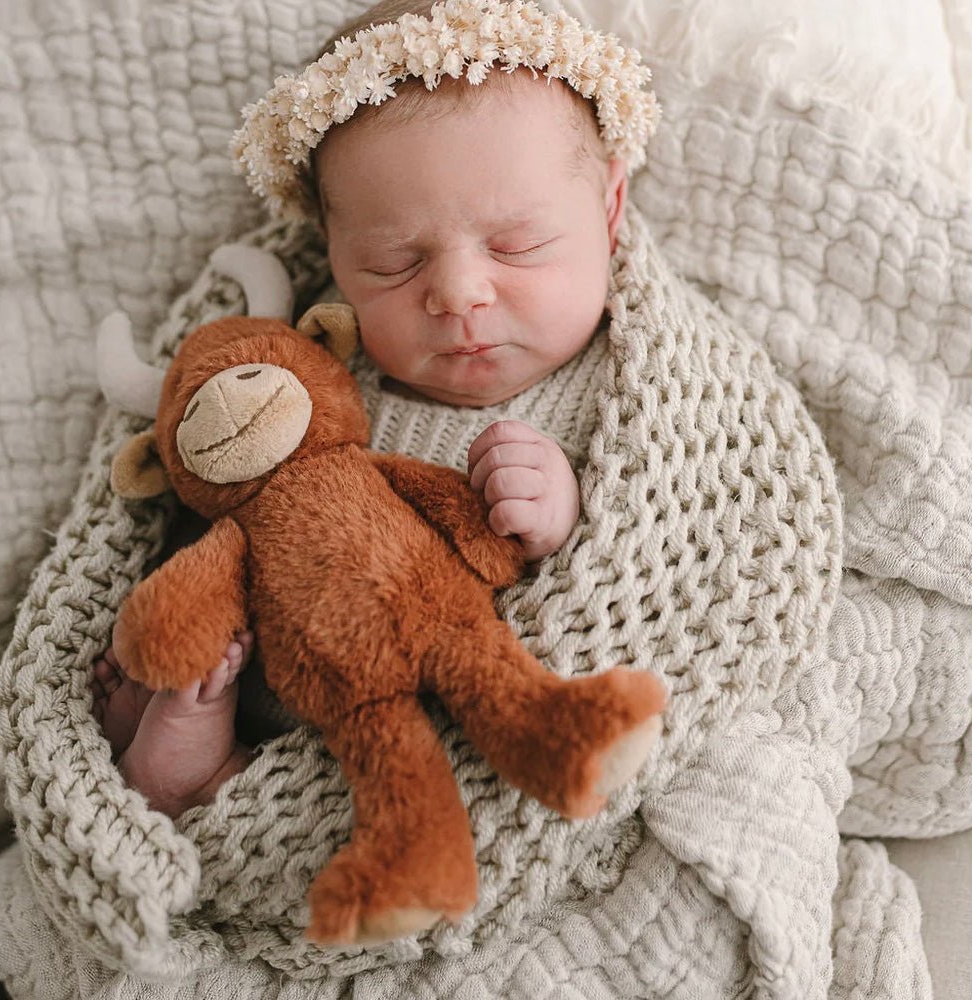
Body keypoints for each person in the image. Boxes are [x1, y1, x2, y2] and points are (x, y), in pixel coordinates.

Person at [90, 0, 658, 819]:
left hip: (458, 713)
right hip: (287, 676)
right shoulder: (320, 373)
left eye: (516, 245)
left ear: (607, 208)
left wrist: (566, 515)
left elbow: (645, 550)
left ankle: (200, 770)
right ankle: (186, 740)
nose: (460, 294)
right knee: (204, 650)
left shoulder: (625, 387)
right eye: (394, 263)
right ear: (336, 263)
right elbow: (226, 502)